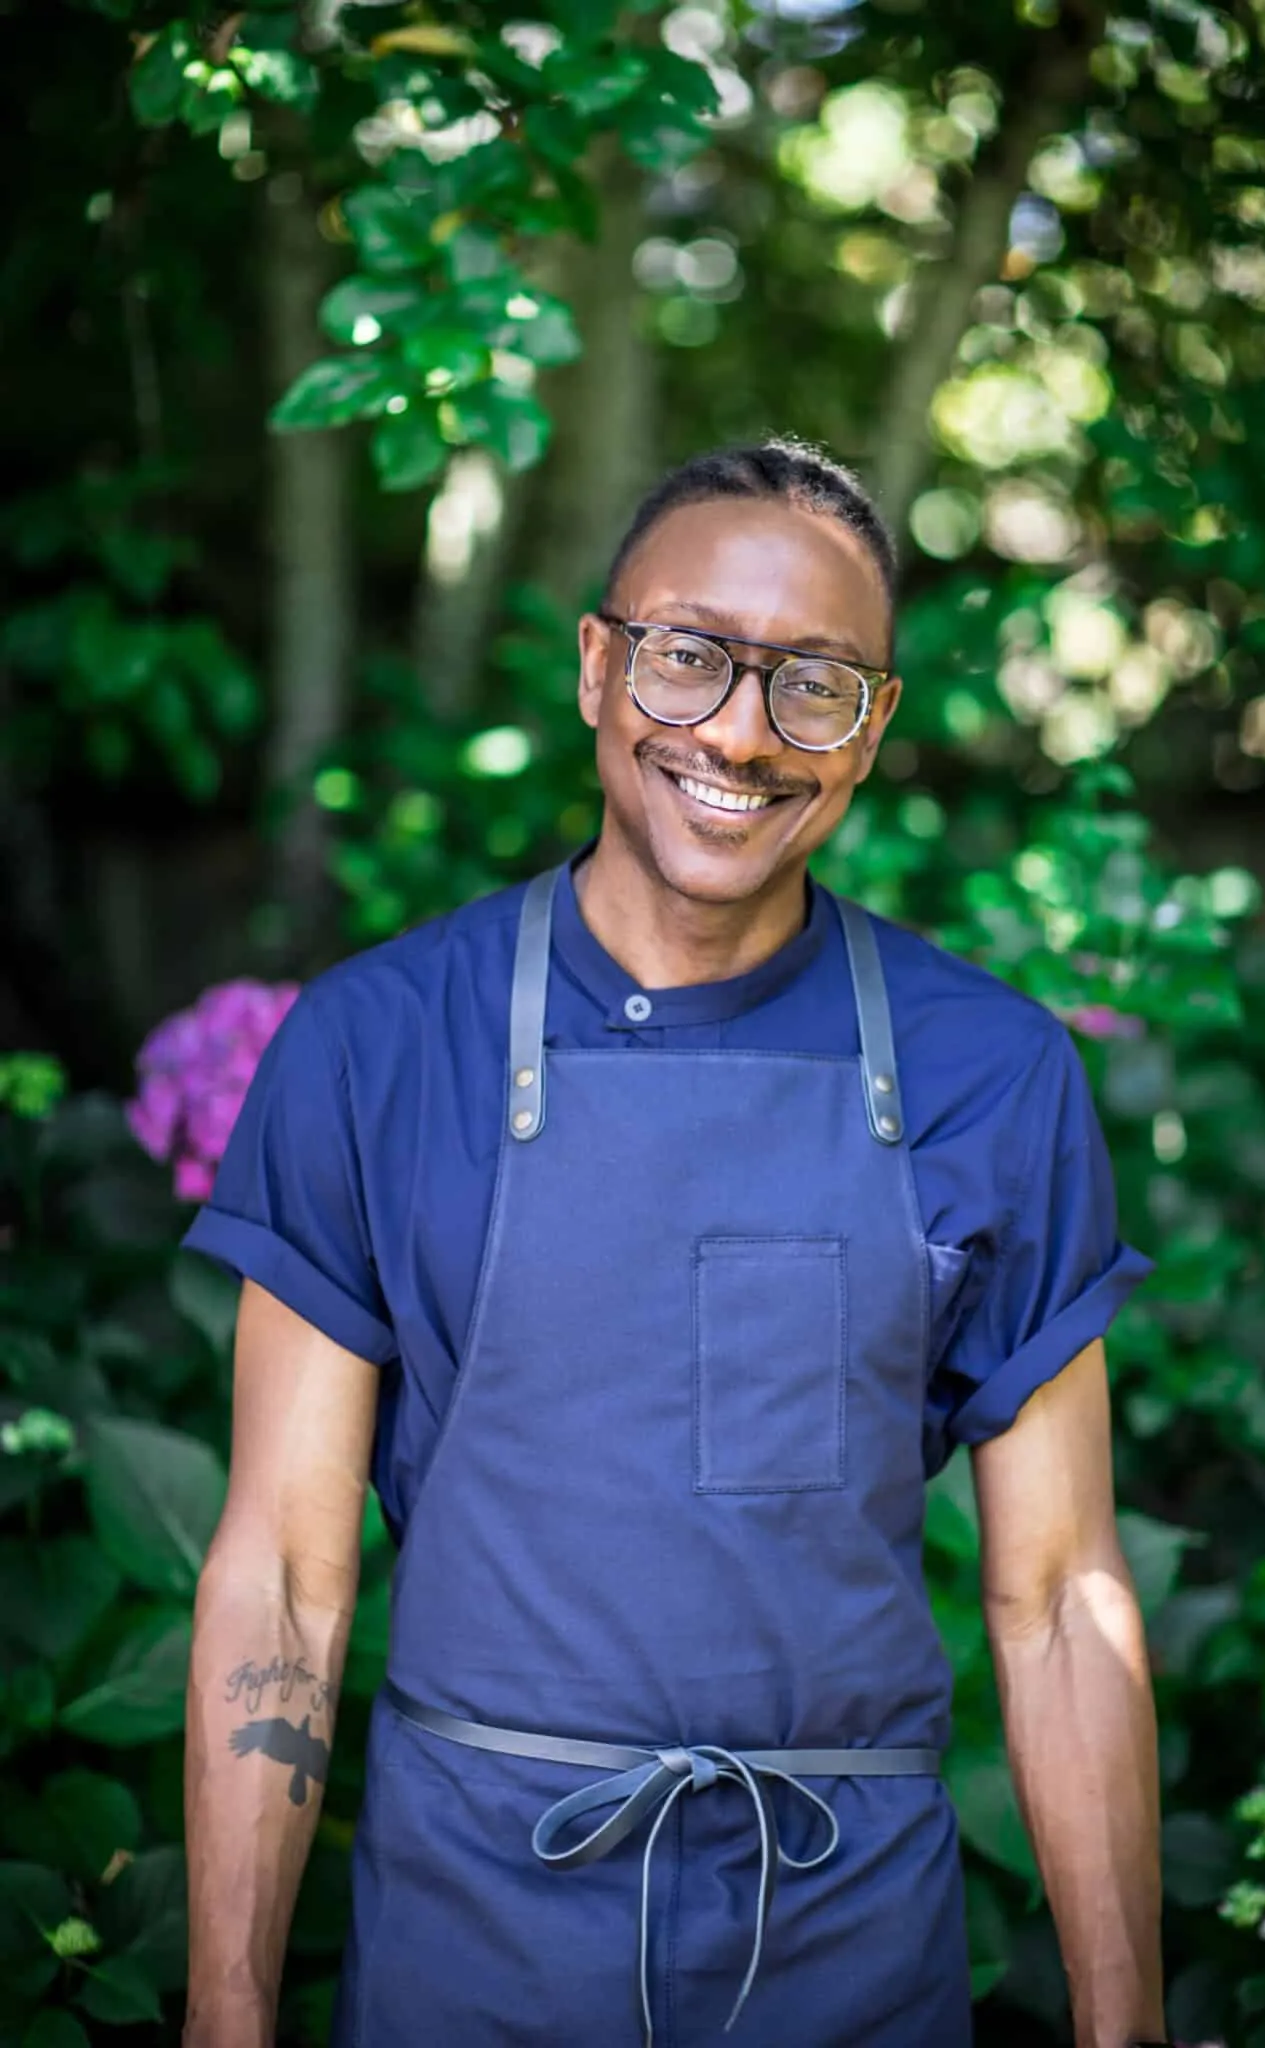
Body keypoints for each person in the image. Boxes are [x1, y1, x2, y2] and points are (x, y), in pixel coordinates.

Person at [180, 440, 1166, 2048]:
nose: (738, 732)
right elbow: (285, 1580)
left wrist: (1126, 2022)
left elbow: (1060, 1599)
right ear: (596, 664)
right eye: (691, 655)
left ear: (873, 729)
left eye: (814, 686)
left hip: (850, 1947)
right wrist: (227, 2016)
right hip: (472, 1936)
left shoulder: (994, 1076)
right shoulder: (375, 1047)